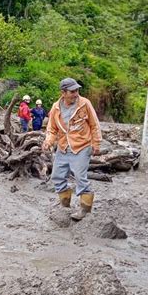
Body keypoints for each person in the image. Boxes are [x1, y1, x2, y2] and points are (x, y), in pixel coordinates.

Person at [42, 78, 101, 220]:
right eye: (72, 91)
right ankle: (65, 206)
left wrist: (97, 143)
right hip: (63, 147)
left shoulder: (84, 104)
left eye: (77, 91)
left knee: (80, 177)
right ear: (63, 93)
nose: (76, 94)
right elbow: (52, 129)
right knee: (57, 176)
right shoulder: (56, 107)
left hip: (81, 146)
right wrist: (48, 142)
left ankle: (85, 210)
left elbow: (94, 124)